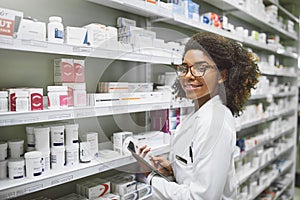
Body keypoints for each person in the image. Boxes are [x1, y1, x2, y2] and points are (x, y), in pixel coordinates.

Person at [137, 32, 260, 199]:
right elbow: (196, 167)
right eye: (184, 68)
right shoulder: (200, 114)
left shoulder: (215, 123)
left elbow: (202, 197)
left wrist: (151, 178)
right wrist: (174, 169)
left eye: (200, 68)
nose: (188, 75)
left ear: (221, 76)